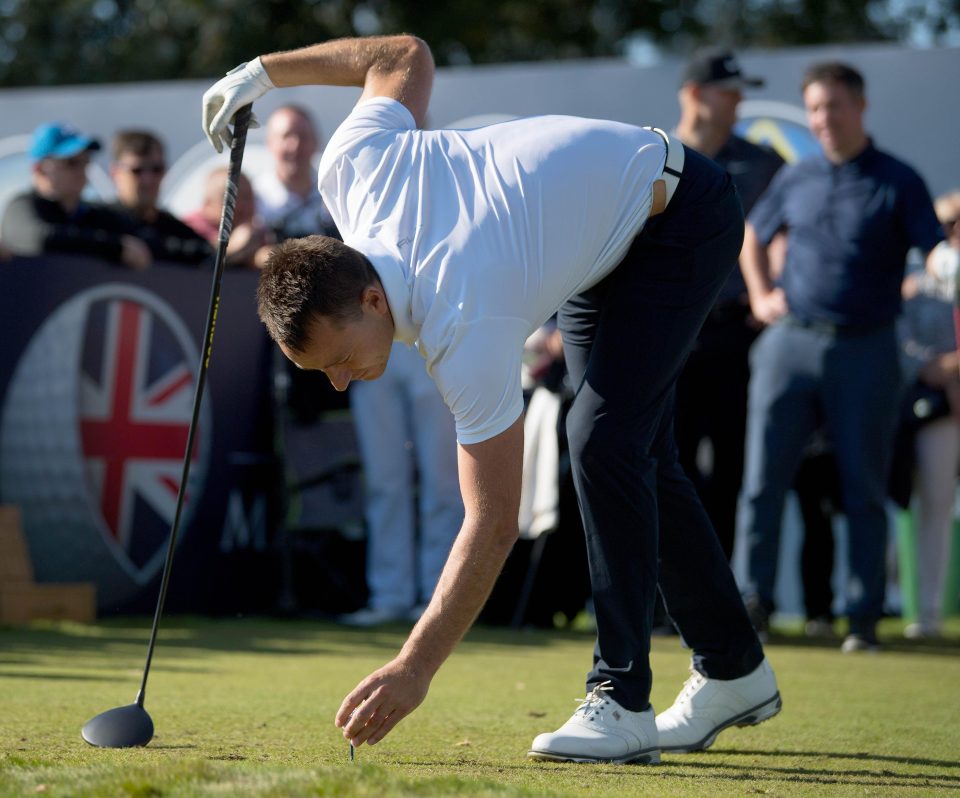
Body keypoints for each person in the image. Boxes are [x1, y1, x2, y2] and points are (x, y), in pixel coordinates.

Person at [202, 34, 779, 764]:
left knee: (602, 443)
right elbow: (402, 55)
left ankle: (623, 698)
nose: (342, 382)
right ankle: (733, 667)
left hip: (682, 212)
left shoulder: (462, 320)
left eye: (342, 359)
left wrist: (414, 667)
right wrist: (260, 74)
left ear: (374, 299)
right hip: (609, 237)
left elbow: (493, 521)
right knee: (633, 452)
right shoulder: (352, 168)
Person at [738, 62, 944, 653]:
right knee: (762, 483)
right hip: (789, 342)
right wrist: (759, 295)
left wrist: (943, 264)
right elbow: (754, 234)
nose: (823, 119)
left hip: (867, 346)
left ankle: (861, 617)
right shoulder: (797, 176)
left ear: (860, 107)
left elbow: (931, 247)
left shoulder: (897, 179)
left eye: (833, 106)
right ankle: (752, 603)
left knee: (862, 485)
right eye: (815, 108)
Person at [672, 49, 784, 562]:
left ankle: (717, 597)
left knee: (733, 465)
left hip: (735, 332)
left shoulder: (763, 163)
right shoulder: (651, 155)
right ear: (695, 94)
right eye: (728, 91)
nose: (740, 101)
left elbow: (785, 237)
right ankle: (661, 601)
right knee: (665, 464)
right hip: (664, 332)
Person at [338, 343, 464, 627]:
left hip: (431, 338)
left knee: (443, 483)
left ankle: (439, 598)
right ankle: (388, 596)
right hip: (368, 342)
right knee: (384, 483)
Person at [897, 189, 960, 639]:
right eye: (945, 224)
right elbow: (902, 340)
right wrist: (934, 367)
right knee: (934, 504)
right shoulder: (914, 278)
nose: (951, 232)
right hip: (938, 411)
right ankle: (929, 613)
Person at [1, 122, 151, 269]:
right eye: (71, 162)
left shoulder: (95, 214)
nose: (82, 169)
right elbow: (39, 239)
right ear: (40, 169)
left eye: (85, 161)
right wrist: (116, 248)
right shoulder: (22, 206)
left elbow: (142, 242)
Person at [109, 129, 213, 266]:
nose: (148, 180)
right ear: (115, 173)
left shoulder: (174, 228)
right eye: (137, 171)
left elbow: (211, 256)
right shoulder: (99, 222)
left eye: (157, 169)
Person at [253, 104, 339, 241]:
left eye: (303, 137)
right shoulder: (254, 199)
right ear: (269, 143)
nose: (295, 146)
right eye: (286, 136)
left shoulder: (336, 192)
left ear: (316, 142)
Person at [182, 166, 275, 269]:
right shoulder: (189, 228)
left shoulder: (257, 229)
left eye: (249, 197)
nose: (245, 205)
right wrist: (236, 245)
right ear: (208, 204)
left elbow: (261, 256)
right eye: (233, 198)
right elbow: (202, 258)